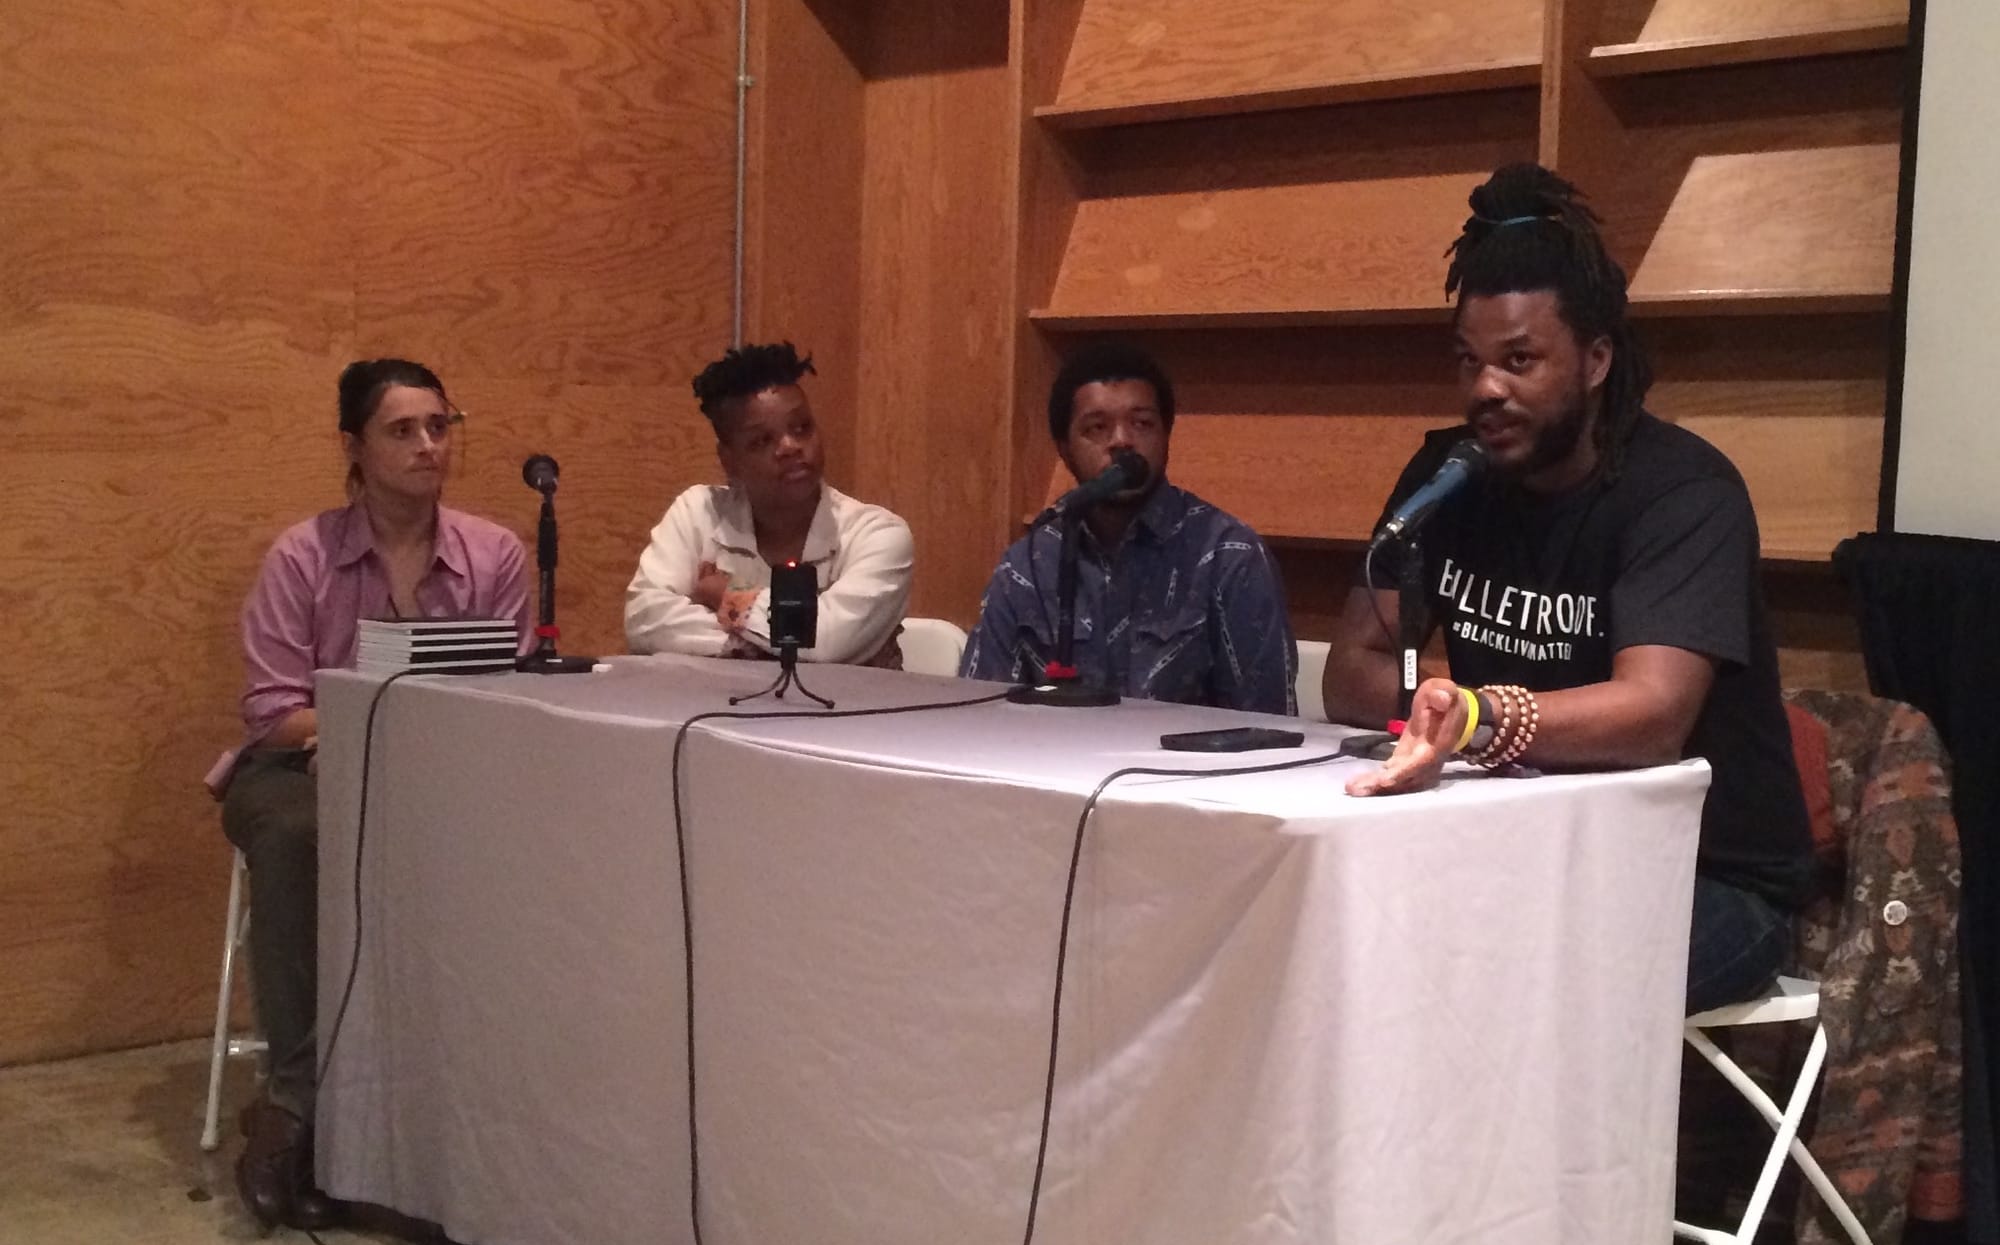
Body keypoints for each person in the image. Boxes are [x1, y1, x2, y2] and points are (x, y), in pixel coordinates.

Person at [1321, 163, 1816, 1013]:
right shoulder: (1449, 477)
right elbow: (1350, 670)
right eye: (1469, 362)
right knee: (1334, 937)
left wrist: (1471, 717)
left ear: (1594, 360)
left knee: (1490, 989)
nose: (1487, 389)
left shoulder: (1683, 494)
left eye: (1520, 360)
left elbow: (1652, 714)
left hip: (1701, 873)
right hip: (1519, 844)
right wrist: (1436, 709)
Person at [208, 359, 530, 1229]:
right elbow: (272, 710)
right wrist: (347, 736)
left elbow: (503, 690)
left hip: (437, 766)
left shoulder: (496, 553)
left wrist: (391, 739)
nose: (430, 445)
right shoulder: (302, 555)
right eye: (403, 430)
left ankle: (475, 1099)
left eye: (441, 424)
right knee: (301, 836)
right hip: (295, 768)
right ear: (354, 447)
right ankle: (297, 1106)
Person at [960, 342, 1296, 712]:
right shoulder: (1029, 566)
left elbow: (1269, 726)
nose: (1122, 441)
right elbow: (980, 713)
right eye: (1097, 427)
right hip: (1053, 763)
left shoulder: (1228, 557)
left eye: (1142, 423)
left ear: (1167, 436)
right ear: (1064, 449)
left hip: (1188, 767)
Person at [625, 342, 913, 665]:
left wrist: (727, 595)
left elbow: (828, 643)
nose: (790, 447)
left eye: (802, 428)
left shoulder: (878, 534)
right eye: (762, 440)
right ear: (729, 461)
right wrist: (752, 647)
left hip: (853, 714)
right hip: (721, 710)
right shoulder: (697, 513)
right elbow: (644, 617)